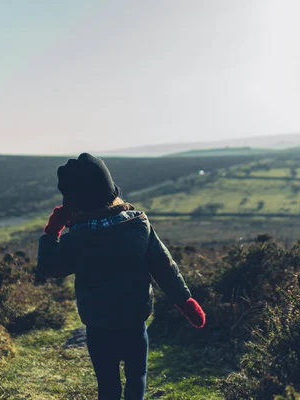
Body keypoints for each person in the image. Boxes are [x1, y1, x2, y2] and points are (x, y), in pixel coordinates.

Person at [37, 153, 206, 400]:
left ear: (74, 203)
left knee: (108, 386)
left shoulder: (77, 238)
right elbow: (164, 266)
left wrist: (52, 231)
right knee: (137, 377)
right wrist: (186, 302)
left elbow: (49, 267)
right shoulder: (139, 225)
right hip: (135, 322)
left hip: (98, 325)